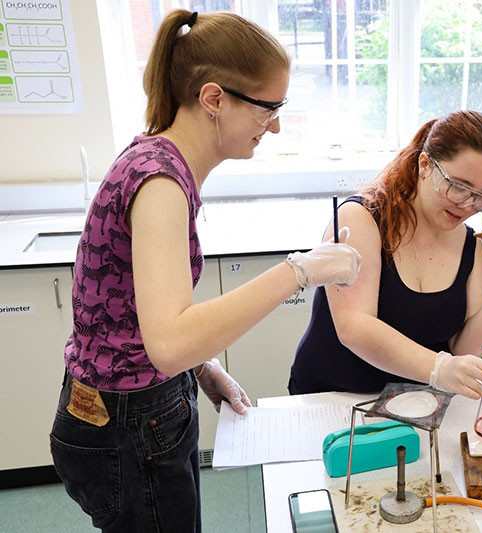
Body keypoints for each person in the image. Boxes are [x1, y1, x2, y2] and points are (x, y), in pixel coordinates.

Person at [49, 10, 360, 532]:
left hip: (130, 408)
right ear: (214, 98)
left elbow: (138, 315)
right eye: (268, 108)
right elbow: (167, 342)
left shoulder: (159, 163)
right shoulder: (161, 185)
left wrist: (201, 368)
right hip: (127, 425)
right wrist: (301, 270)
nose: (276, 124)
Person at [289, 110, 482, 399]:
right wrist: (439, 367)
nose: (467, 204)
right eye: (458, 186)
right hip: (331, 397)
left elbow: (465, 349)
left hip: (416, 404)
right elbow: (354, 326)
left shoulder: (470, 246)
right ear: (425, 164)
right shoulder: (359, 219)